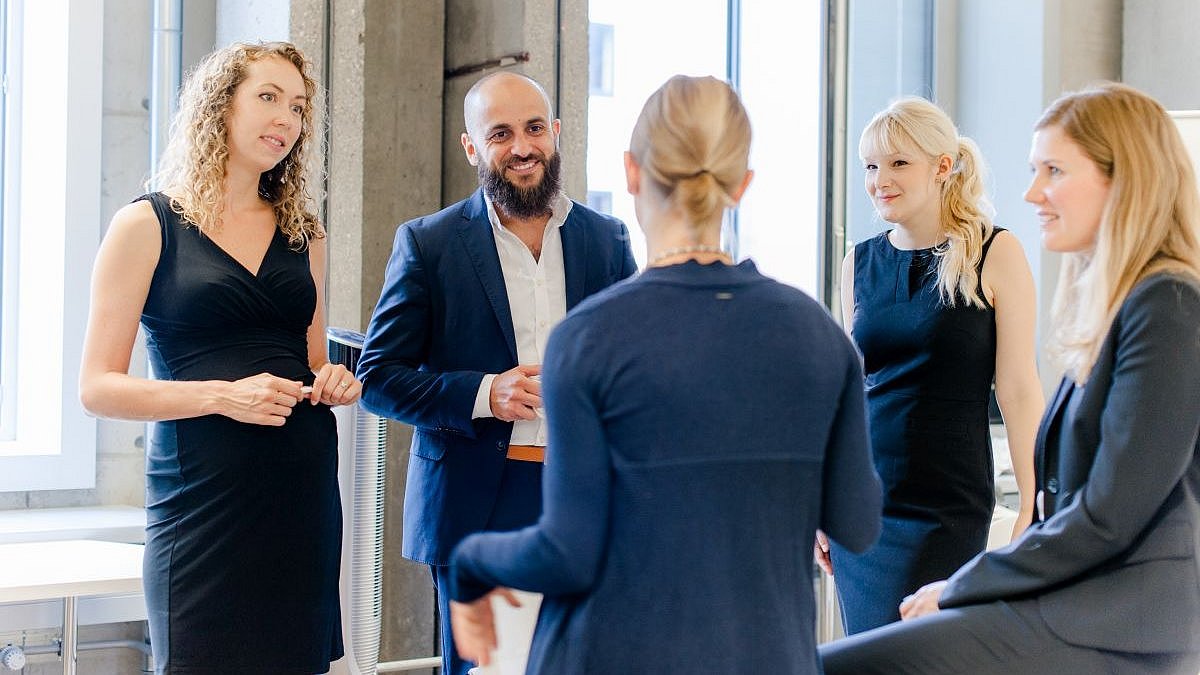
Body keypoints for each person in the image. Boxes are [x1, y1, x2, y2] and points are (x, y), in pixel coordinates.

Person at [445, 75, 882, 675]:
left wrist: (472, 562)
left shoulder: (589, 340)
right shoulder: (819, 337)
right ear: (741, 185)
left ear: (631, 173)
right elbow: (857, 524)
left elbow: (568, 552)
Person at [821, 82, 1200, 674]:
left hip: (1110, 614)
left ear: (1123, 177)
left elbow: (1105, 512)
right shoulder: (1124, 304)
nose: (1031, 192)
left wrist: (976, 574)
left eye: (1053, 170)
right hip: (1067, 595)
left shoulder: (1167, 304)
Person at [78, 42, 355, 673]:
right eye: (267, 97)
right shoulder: (146, 225)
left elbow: (309, 361)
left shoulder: (304, 234)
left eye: (298, 107)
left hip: (301, 498)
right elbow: (97, 388)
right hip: (201, 504)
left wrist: (334, 379)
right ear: (219, 105)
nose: (286, 118)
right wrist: (223, 395)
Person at [356, 71, 636, 675]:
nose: (522, 147)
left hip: (585, 498)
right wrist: (487, 393)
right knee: (489, 671)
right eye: (501, 133)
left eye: (535, 128)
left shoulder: (607, 239)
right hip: (478, 505)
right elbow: (377, 378)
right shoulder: (427, 245)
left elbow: (638, 368)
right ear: (472, 147)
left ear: (556, 133)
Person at [820, 96, 1044, 633]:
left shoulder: (996, 252)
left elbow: (1018, 389)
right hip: (864, 507)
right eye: (871, 166)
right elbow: (848, 392)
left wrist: (1033, 504)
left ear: (943, 167)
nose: (880, 180)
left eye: (899, 163)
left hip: (948, 508)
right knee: (868, 662)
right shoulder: (860, 262)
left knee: (929, 655)